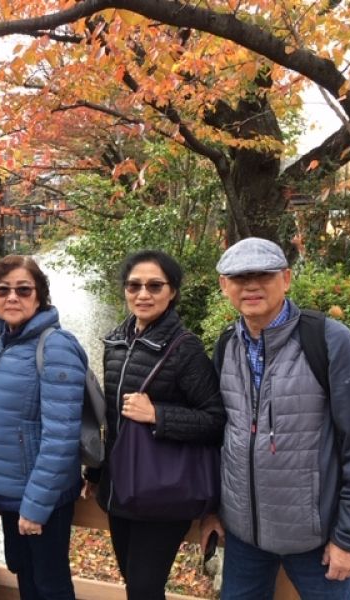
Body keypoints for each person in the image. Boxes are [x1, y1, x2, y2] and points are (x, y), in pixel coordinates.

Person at [203, 236, 350, 599]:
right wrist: (212, 510)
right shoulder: (227, 345)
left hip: (317, 541)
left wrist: (349, 539)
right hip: (244, 537)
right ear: (224, 286)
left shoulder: (329, 340)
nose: (251, 285)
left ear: (286, 279)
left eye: (263, 274)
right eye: (239, 277)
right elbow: (221, 437)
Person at [86, 249, 225, 600]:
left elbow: (216, 419)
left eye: (154, 285)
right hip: (120, 489)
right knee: (135, 584)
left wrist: (158, 416)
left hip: (163, 490)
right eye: (134, 285)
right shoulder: (115, 343)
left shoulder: (185, 349)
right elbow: (112, 420)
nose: (143, 294)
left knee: (145, 588)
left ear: (172, 291)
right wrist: (96, 475)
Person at [0, 255, 87, 600]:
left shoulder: (55, 346)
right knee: (25, 575)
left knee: (50, 584)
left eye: (23, 290)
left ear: (40, 296)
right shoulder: (0, 345)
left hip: (42, 498)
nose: (12, 297)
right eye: (3, 290)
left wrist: (35, 505)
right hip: (12, 493)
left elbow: (61, 436)